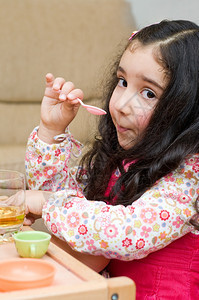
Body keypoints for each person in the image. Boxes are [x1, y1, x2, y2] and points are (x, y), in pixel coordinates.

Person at [24, 20, 199, 299]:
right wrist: (51, 130)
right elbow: (62, 196)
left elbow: (127, 232)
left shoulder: (189, 173)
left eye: (148, 93)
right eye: (122, 82)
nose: (119, 104)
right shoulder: (123, 158)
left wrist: (46, 204)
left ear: (186, 109)